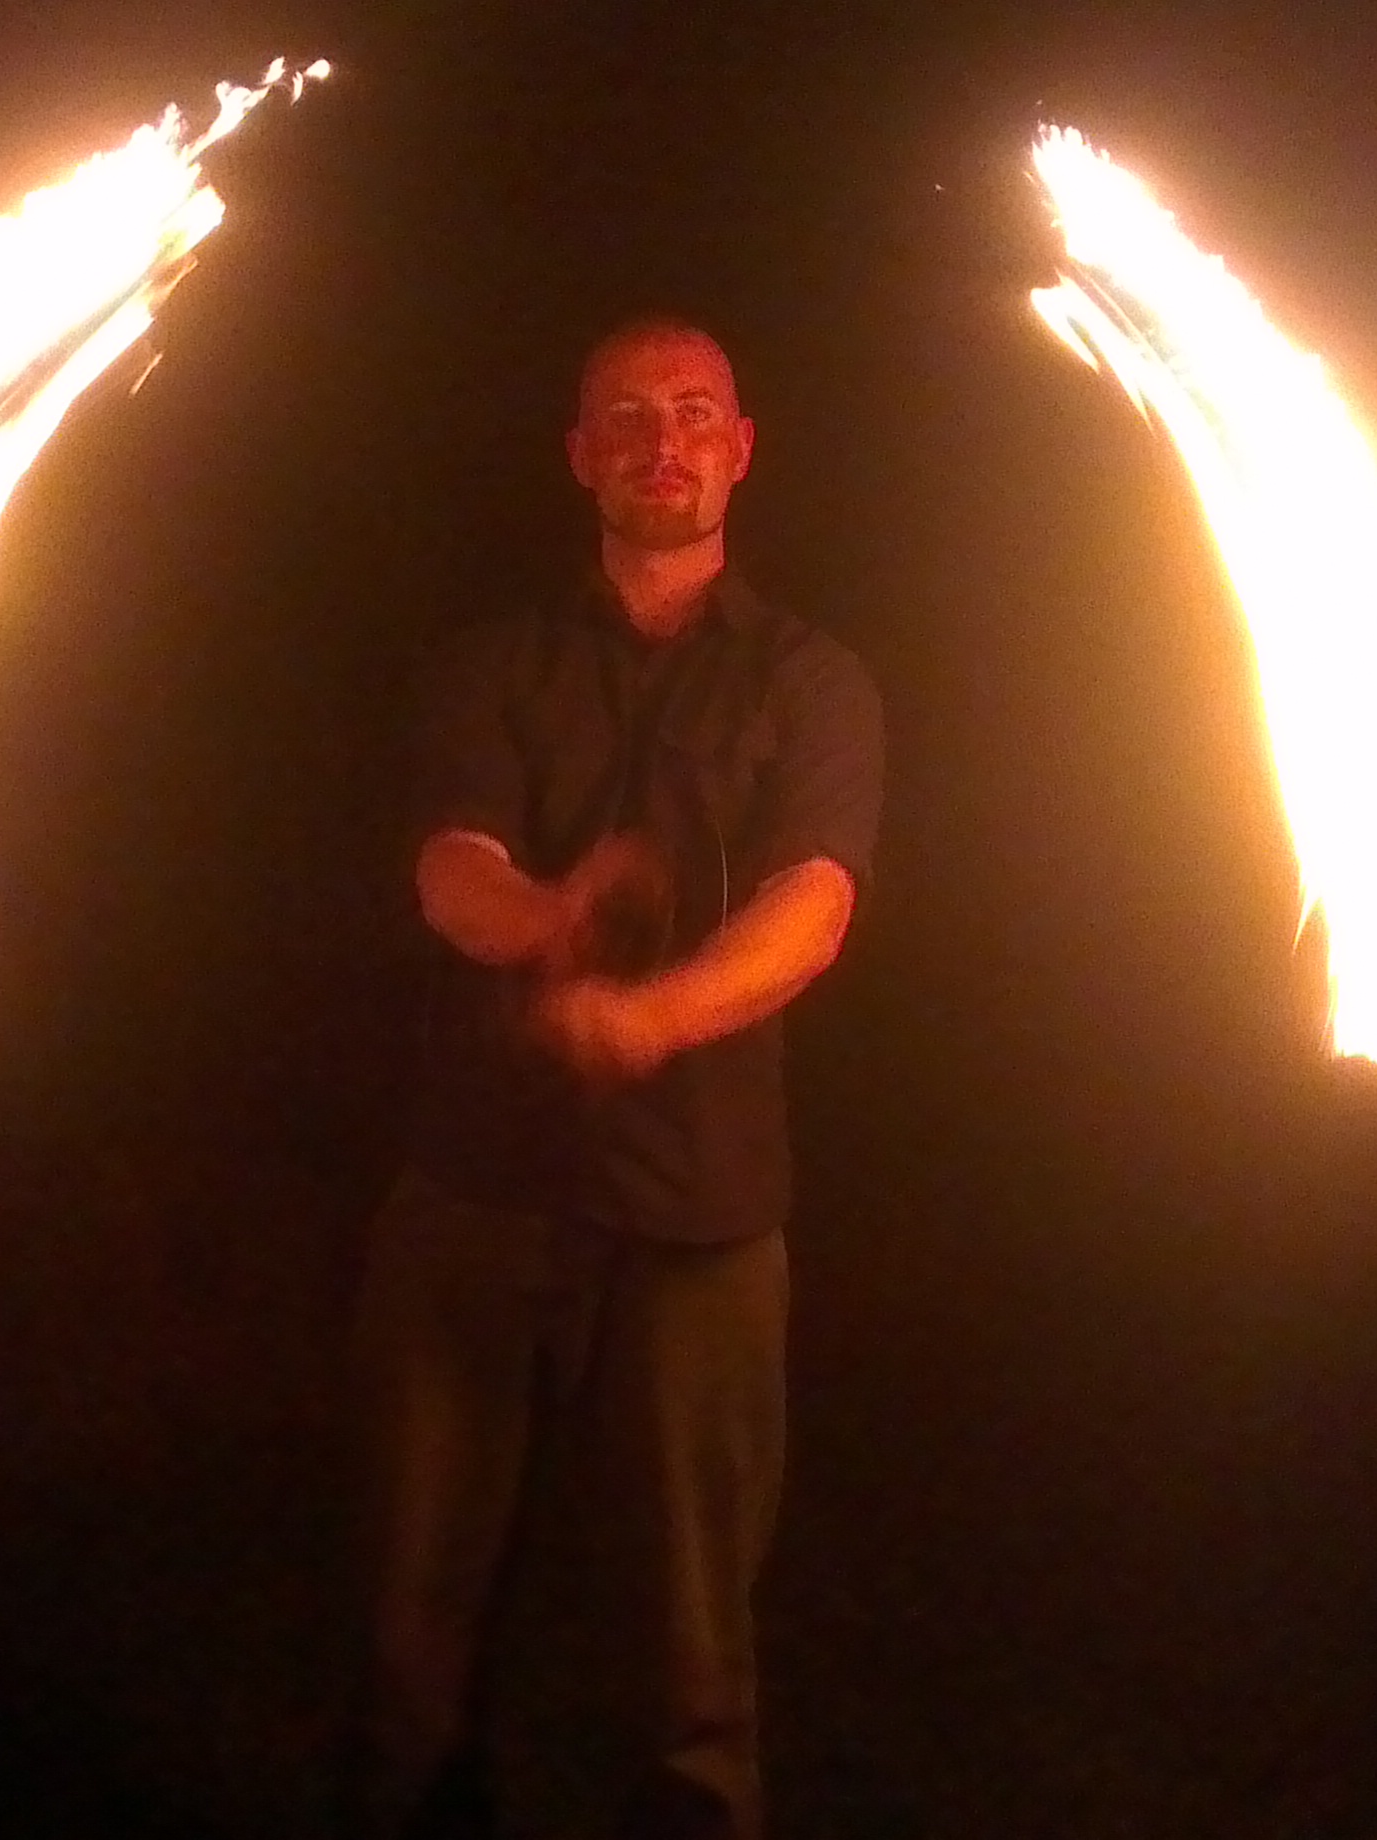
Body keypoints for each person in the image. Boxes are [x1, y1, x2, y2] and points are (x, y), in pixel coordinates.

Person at [338, 316, 884, 1840]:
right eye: (628, 417)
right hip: (479, 1187)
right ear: (581, 456)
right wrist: (550, 921)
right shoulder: (489, 665)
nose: (663, 441)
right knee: (410, 1616)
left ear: (741, 448)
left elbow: (814, 904)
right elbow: (452, 866)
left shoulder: (815, 683)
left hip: (700, 1207)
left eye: (695, 412)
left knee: (692, 1646)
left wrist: (652, 1020)